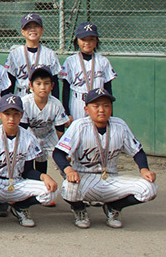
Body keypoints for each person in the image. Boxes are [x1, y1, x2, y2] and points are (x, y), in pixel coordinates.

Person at [54, 88, 157, 229]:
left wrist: (144, 169)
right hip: (84, 177)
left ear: (111, 108)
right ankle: (79, 210)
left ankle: (114, 207)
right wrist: (69, 170)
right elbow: (58, 153)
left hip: (111, 178)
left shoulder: (119, 125)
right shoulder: (79, 126)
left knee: (149, 188)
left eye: (106, 105)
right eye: (96, 106)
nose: (101, 110)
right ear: (86, 109)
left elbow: (137, 151)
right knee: (69, 188)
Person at [0, 95, 58, 228]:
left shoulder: (29, 137)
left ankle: (20, 208)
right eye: (7, 114)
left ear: (21, 115)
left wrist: (44, 176)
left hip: (18, 183)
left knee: (51, 192)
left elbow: (28, 171)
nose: (11, 118)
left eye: (15, 114)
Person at [59, 22, 117, 121]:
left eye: (91, 39)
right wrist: (67, 112)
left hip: (98, 102)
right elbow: (66, 89)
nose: (87, 43)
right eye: (83, 39)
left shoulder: (103, 61)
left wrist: (110, 113)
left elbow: (108, 89)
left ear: (96, 41)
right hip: (78, 101)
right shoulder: (70, 61)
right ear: (77, 41)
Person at [20, 67, 70, 176]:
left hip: (49, 135)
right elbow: (22, 129)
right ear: (31, 86)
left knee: (60, 160)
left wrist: (64, 151)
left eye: (46, 83)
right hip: (30, 134)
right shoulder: (25, 103)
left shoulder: (56, 104)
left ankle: (68, 182)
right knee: (29, 160)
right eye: (38, 84)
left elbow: (60, 130)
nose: (43, 87)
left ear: (52, 86)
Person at [5, 13, 61, 97]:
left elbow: (55, 83)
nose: (32, 30)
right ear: (23, 32)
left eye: (36, 26)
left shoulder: (50, 54)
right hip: (22, 94)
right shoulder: (15, 54)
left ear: (42, 30)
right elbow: (10, 82)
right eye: (28, 27)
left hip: (43, 97)